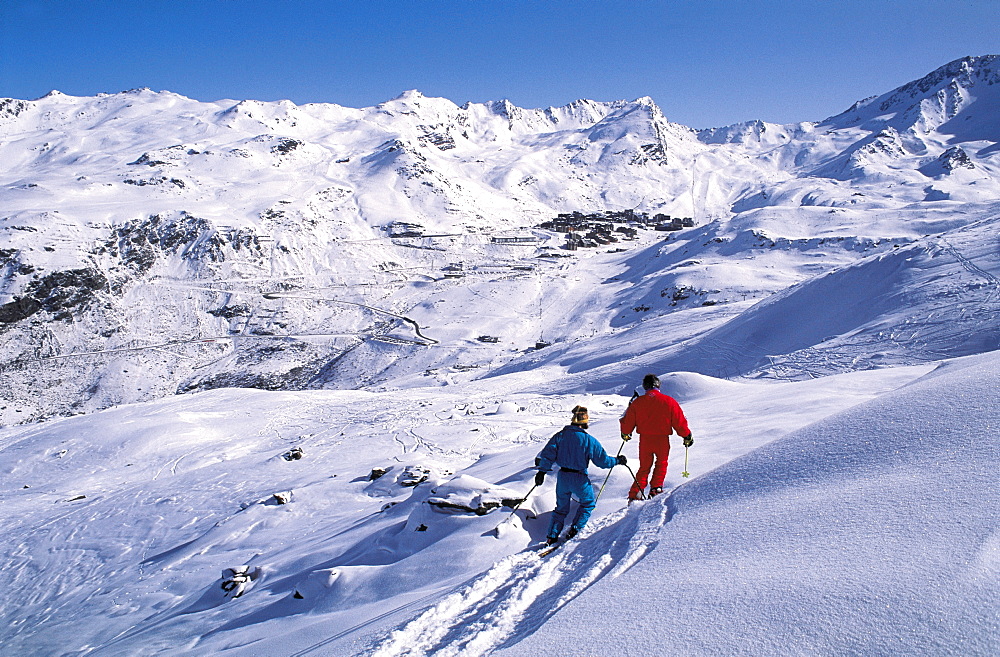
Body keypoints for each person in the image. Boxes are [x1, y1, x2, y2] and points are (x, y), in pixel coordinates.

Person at [535, 405, 626, 544]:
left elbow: (548, 454)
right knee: (588, 503)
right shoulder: (589, 440)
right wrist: (617, 461)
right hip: (579, 478)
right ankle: (575, 529)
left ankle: (552, 536)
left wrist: (542, 472)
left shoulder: (560, 436)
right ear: (585, 422)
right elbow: (603, 461)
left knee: (560, 509)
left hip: (563, 477)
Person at [620, 373, 693, 500]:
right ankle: (656, 488)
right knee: (661, 463)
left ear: (645, 386)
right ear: (658, 385)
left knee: (644, 466)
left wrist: (626, 433)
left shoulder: (637, 403)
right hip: (662, 439)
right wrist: (686, 435)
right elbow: (678, 421)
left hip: (645, 439)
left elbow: (628, 421)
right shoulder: (669, 401)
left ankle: (636, 492)